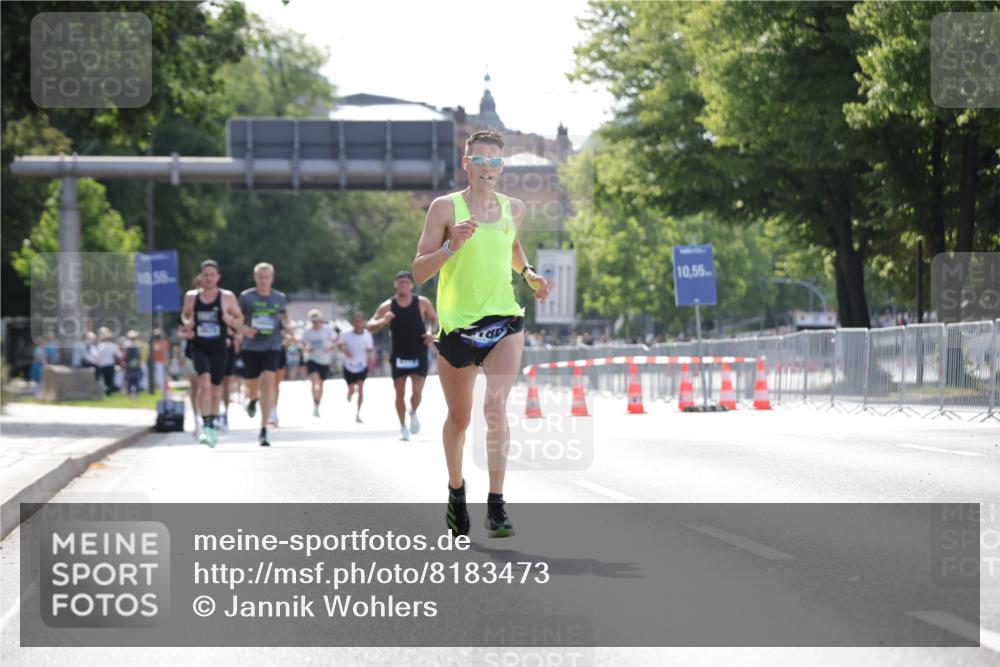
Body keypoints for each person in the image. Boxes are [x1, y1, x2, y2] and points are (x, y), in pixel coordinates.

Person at [412, 129, 550, 539]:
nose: (488, 168)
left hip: (505, 320)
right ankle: (456, 492)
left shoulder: (515, 209)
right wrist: (451, 247)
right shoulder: (444, 208)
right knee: (459, 418)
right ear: (466, 164)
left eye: (495, 162)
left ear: (502, 167)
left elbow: (511, 246)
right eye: (481, 161)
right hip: (458, 328)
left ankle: (496, 503)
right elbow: (419, 271)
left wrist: (527, 274)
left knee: (494, 408)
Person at [367, 270, 438, 441]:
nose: (403, 285)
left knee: (417, 391)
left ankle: (413, 412)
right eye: (400, 282)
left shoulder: (422, 303)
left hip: (419, 351)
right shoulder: (387, 306)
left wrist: (431, 332)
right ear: (395, 284)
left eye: (407, 282)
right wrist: (383, 321)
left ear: (412, 285)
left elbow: (434, 320)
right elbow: (370, 325)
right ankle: (402, 426)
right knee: (399, 392)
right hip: (399, 353)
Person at [180, 260, 243, 448]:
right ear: (201, 276)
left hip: (219, 347)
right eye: (205, 274)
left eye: (212, 275)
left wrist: (229, 319)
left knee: (216, 388)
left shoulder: (227, 297)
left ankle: (211, 423)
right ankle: (205, 422)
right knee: (204, 383)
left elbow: (240, 319)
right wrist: (187, 322)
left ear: (218, 277)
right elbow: (184, 314)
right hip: (199, 347)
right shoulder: (191, 297)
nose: (208, 278)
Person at [238, 262, 289, 447]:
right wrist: (244, 329)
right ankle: (252, 400)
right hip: (251, 347)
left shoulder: (279, 298)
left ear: (272, 279)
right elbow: (237, 319)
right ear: (255, 278)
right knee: (253, 386)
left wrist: (288, 331)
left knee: (268, 383)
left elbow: (284, 318)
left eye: (267, 277)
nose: (263, 280)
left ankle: (264, 429)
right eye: (260, 277)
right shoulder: (246, 297)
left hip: (272, 345)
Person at [339, 310, 375, 423]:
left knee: (360, 388)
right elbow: (339, 345)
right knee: (351, 389)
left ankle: (358, 413)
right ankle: (349, 392)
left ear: (364, 322)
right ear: (354, 322)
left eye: (360, 321)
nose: (358, 324)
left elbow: (370, 350)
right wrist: (345, 351)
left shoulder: (367, 335)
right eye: (356, 321)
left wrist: (371, 362)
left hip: (361, 366)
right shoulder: (346, 334)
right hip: (349, 366)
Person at [301, 309, 338, 418]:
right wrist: (306, 348)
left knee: (321, 385)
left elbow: (336, 340)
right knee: (314, 381)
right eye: (313, 321)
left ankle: (317, 404)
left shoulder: (327, 330)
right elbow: (302, 343)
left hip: (324, 360)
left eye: (317, 321)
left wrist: (330, 346)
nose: (316, 323)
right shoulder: (307, 331)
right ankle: (314, 402)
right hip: (312, 359)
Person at [123, 330, 144, 396]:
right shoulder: (138, 344)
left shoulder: (126, 344)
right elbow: (140, 355)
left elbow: (125, 355)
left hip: (129, 363)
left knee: (130, 378)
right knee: (135, 378)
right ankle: (136, 391)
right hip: (136, 363)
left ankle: (129, 391)